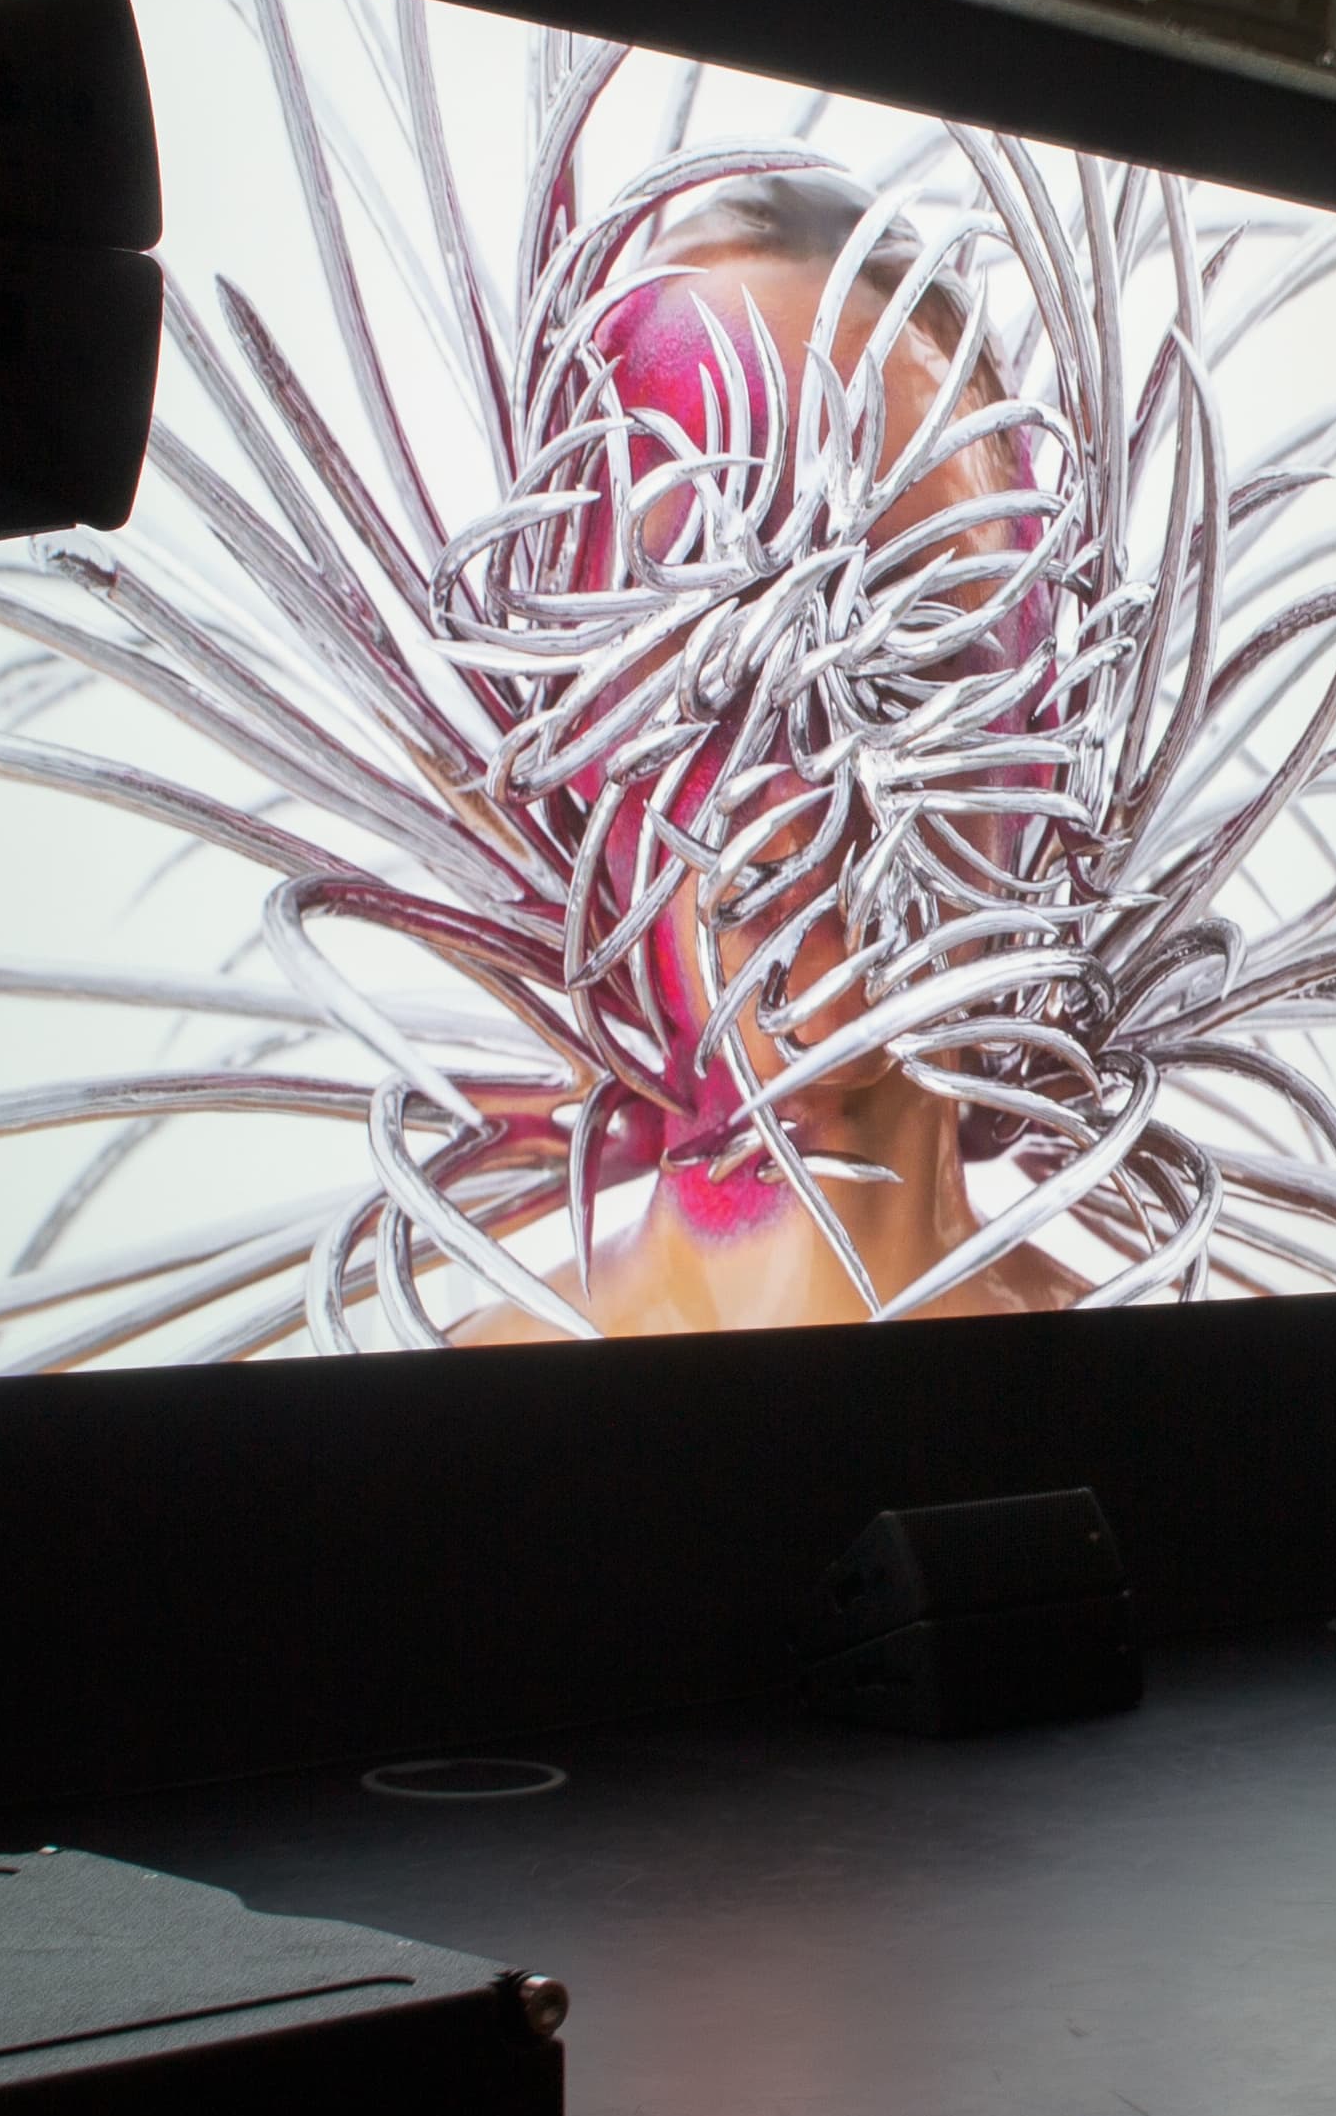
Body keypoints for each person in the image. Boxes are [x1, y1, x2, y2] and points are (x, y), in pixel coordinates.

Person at [454, 167, 1088, 1339]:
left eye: (915, 637)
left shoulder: (1208, 1406)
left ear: (1039, 721)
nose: (805, 780)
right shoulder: (436, 1429)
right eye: (701, 650)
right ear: (571, 742)